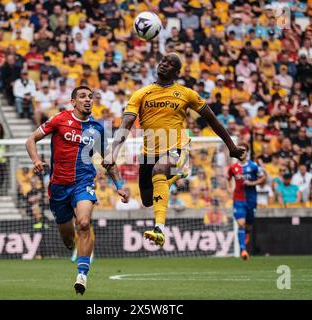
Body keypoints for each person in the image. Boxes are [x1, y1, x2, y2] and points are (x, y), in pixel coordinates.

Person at [104, 53, 246, 248]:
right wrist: (113, 150)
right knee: (147, 200)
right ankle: (178, 173)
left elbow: (211, 118)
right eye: (163, 60)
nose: (164, 64)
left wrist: (231, 147)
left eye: (170, 64)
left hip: (176, 146)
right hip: (148, 153)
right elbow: (126, 123)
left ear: (177, 72)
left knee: (160, 170)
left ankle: (159, 229)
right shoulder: (141, 93)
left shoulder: (186, 93)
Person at [25, 86, 128, 295]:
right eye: (82, 97)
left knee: (83, 222)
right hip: (58, 187)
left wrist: (120, 186)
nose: (88, 100)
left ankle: (82, 273)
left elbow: (108, 160)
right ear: (73, 102)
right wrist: (36, 160)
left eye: (91, 96)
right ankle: (77, 246)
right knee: (67, 239)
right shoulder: (59, 119)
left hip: (83, 183)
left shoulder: (97, 128)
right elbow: (30, 140)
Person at [227, 143, 266, 260]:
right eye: (239, 150)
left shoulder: (254, 166)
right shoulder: (233, 167)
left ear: (247, 152)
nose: (241, 152)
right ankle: (243, 250)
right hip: (238, 199)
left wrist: (252, 183)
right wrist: (229, 189)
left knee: (248, 225)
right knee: (241, 223)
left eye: (243, 150)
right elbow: (227, 178)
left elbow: (263, 178)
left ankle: (246, 234)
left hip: (251, 199)